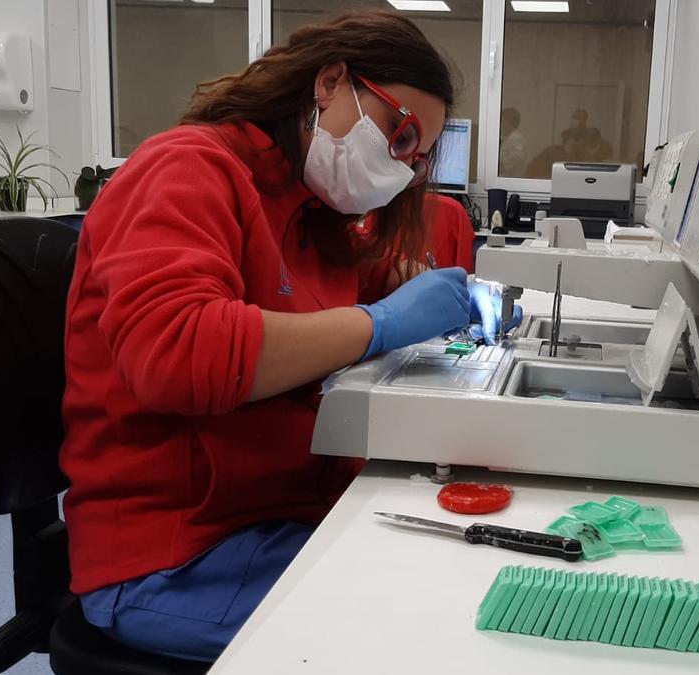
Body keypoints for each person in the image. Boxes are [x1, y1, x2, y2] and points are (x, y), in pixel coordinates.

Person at [60, 10, 519, 662]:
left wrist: (429, 292)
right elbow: (178, 351)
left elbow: (352, 292)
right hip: (178, 548)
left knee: (464, 580)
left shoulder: (310, 209)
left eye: (415, 157)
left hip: (284, 509)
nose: (399, 164)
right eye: (399, 131)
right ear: (330, 82)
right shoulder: (186, 168)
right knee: (436, 639)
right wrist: (382, 321)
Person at [498, 107, 527, 176]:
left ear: (509, 122)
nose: (500, 124)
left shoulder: (517, 139)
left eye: (502, 121)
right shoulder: (507, 138)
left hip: (512, 179)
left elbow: (516, 158)